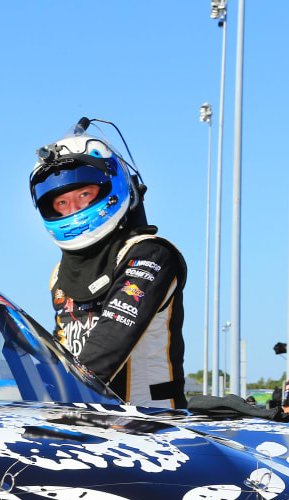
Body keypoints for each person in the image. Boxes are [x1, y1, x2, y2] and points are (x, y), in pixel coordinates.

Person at [31, 117, 186, 408]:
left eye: (84, 195)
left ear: (111, 188)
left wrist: (63, 405)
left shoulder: (150, 254)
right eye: (61, 203)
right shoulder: (60, 273)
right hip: (86, 419)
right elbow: (62, 350)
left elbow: (108, 344)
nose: (73, 208)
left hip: (150, 427)